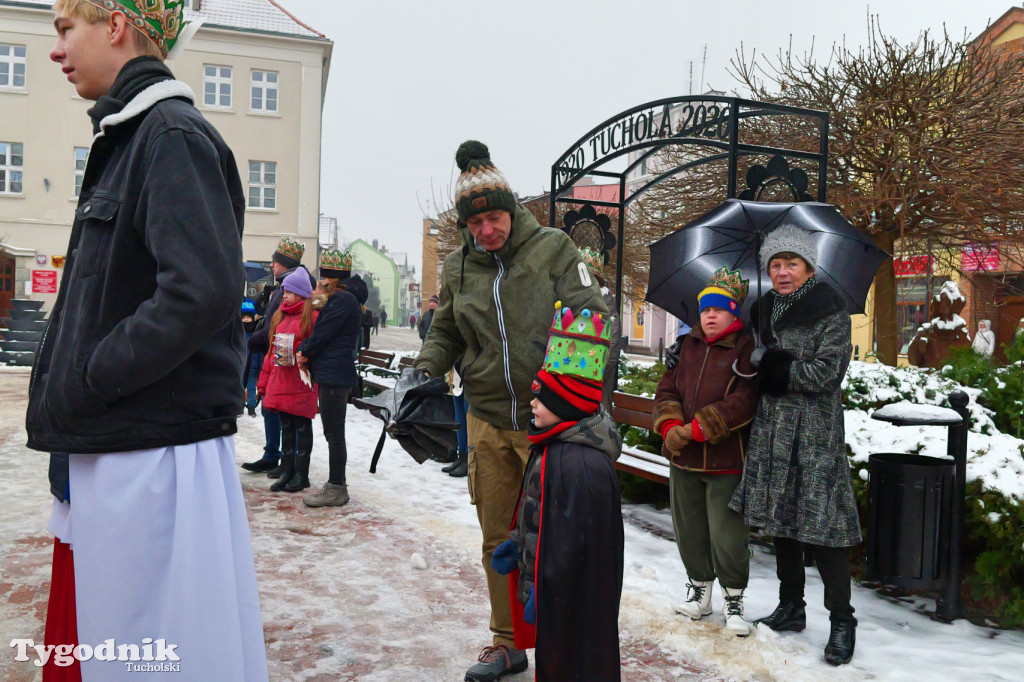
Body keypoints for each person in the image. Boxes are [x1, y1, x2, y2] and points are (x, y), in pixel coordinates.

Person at [30, 2, 267, 679]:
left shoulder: (168, 134)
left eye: (65, 28)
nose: (57, 50)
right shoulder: (133, 136)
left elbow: (201, 291)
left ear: (114, 25)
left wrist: (91, 376)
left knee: (153, 660)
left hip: (150, 455)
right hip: (123, 444)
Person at [415, 141, 606, 681]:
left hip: (549, 426)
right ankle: (507, 642)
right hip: (486, 420)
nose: (486, 231)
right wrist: (426, 369)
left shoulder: (553, 249)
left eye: (494, 218)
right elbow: (448, 329)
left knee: (557, 541)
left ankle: (564, 645)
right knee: (498, 537)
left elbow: (589, 318)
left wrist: (562, 400)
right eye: (475, 224)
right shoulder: (458, 266)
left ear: (513, 210)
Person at [730, 225, 860, 666]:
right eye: (775, 265)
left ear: (808, 268)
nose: (782, 272)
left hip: (815, 434)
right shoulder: (763, 310)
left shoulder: (831, 312)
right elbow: (744, 358)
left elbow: (827, 373)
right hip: (773, 430)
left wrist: (778, 367)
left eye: (792, 264)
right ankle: (791, 607)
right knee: (783, 519)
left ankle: (843, 620)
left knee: (824, 528)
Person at [492, 304, 623, 681]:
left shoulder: (577, 465)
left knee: (570, 664)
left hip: (569, 605)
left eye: (541, 396)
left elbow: (574, 550)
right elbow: (539, 513)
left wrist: (549, 594)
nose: (531, 403)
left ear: (564, 404)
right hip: (554, 597)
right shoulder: (554, 445)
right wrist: (518, 545)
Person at [653, 267, 758, 636]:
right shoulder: (687, 347)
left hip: (725, 462)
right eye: (704, 309)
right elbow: (667, 391)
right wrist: (670, 427)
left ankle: (734, 600)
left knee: (727, 535)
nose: (710, 315)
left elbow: (744, 401)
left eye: (719, 309)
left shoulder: (746, 350)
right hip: (683, 458)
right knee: (690, 529)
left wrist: (698, 428)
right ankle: (700, 591)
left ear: (734, 313)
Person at [296, 250, 368, 508]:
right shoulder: (343, 299)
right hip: (333, 371)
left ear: (331, 278)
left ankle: (337, 487)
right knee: (333, 433)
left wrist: (304, 350)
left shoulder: (342, 300)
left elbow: (324, 333)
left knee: (334, 434)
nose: (320, 282)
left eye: (323, 278)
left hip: (335, 374)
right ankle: (336, 485)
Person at [242, 237, 315, 475]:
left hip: (287, 364)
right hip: (274, 359)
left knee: (282, 411)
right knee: (271, 408)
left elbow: (280, 327)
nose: (271, 266)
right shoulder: (281, 288)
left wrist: (257, 338)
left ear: (285, 264)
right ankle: (276, 455)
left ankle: (284, 460)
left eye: (274, 262)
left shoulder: (294, 289)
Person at [258, 269, 319, 493]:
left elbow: (317, 347)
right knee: (287, 429)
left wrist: (301, 352)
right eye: (284, 291)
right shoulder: (280, 317)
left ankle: (301, 474)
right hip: (281, 381)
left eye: (290, 291)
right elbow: (270, 354)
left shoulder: (312, 317)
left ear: (301, 294)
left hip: (301, 383)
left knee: (302, 429)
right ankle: (287, 471)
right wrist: (263, 383)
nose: (284, 295)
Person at [578, 246, 625, 410]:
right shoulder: (576, 302)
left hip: (597, 379)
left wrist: (594, 371)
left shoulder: (605, 304)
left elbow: (612, 349)